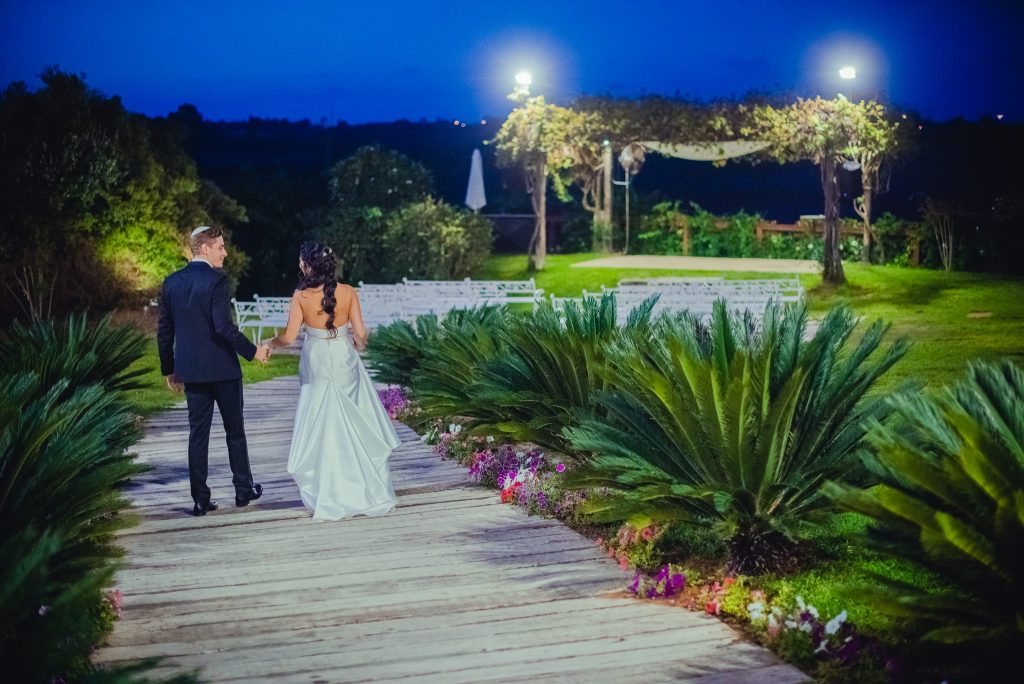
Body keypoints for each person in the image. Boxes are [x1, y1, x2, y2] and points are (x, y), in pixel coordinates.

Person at [266, 241, 401, 520]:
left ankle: (327, 488)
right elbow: (361, 333)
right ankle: (362, 486)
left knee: (321, 422)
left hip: (316, 358)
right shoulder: (349, 292)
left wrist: (270, 343)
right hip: (343, 358)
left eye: (301, 261)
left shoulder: (301, 296)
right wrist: (359, 346)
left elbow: (289, 337)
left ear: (307, 265)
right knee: (350, 422)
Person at [157, 225, 269, 516]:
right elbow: (223, 327)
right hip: (223, 370)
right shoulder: (217, 281)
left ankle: (200, 499)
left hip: (191, 371)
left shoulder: (171, 283)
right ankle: (243, 491)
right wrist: (253, 351)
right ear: (204, 248)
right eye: (220, 246)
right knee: (235, 431)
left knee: (198, 434)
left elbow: (165, 331)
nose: (225, 252)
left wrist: (169, 368)